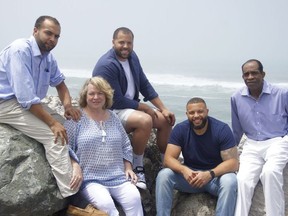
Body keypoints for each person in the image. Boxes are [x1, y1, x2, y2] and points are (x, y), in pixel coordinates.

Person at [0, 15, 82, 198]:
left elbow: (60, 84)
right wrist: (52, 124)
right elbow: (27, 99)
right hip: (5, 104)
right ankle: (75, 200)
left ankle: (75, 165)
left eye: (57, 36)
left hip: (26, 103)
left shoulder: (48, 57)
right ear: (35, 31)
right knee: (55, 136)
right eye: (48, 33)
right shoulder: (20, 50)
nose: (52, 39)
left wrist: (67, 106)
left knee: (69, 125)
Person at [92, 27, 175, 189]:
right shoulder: (107, 65)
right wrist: (145, 107)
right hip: (110, 112)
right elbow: (115, 100)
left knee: (165, 120)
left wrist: (162, 108)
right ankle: (138, 166)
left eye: (129, 43)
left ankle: (166, 164)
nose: (125, 46)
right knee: (145, 120)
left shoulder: (132, 57)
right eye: (121, 42)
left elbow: (144, 84)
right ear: (113, 42)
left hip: (130, 108)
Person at [64, 77, 143, 216]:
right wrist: (75, 165)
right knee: (107, 206)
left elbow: (125, 144)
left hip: (117, 176)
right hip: (91, 179)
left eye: (100, 93)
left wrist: (128, 166)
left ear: (106, 95)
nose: (96, 97)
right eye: (91, 94)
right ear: (85, 96)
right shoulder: (76, 119)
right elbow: (65, 147)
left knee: (135, 198)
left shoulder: (113, 117)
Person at [156, 97, 238, 216]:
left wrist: (210, 174)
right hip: (191, 178)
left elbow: (233, 163)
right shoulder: (180, 129)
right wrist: (184, 170)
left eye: (200, 111)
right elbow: (168, 159)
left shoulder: (221, 129)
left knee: (230, 180)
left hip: (215, 178)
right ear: (187, 114)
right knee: (164, 175)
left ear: (207, 111)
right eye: (192, 113)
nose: (196, 116)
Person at [231, 59, 288, 216]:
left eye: (254, 73)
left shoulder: (282, 94)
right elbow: (236, 130)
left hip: (278, 141)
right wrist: (229, 153)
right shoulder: (236, 98)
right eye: (246, 74)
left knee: (270, 172)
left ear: (263, 74)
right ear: (243, 77)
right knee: (242, 181)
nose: (250, 77)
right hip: (251, 145)